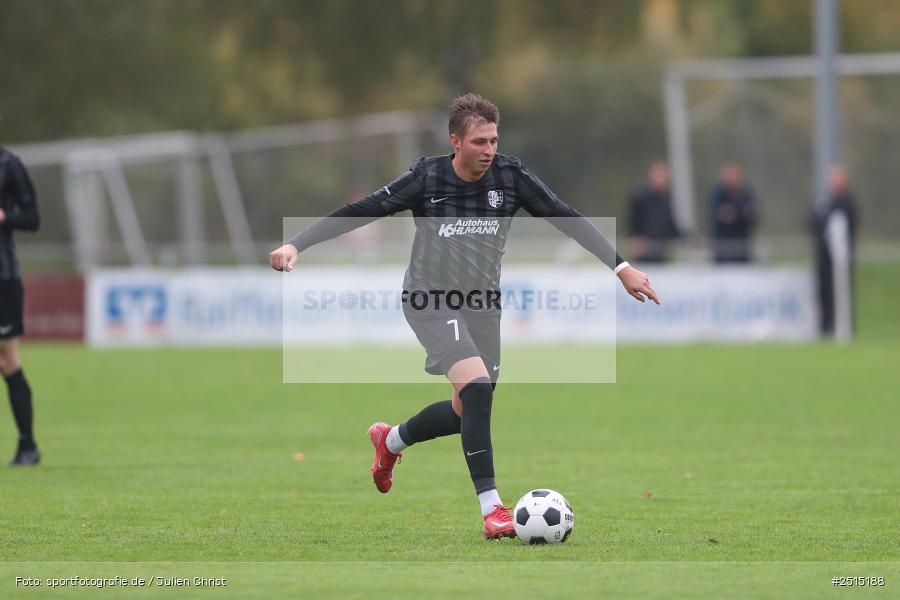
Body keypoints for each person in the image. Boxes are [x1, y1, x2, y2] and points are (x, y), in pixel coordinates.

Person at [270, 94, 659, 539]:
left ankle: (390, 440)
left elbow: (565, 217)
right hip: (429, 299)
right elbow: (364, 210)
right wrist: (296, 243)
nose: (489, 149)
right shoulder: (427, 177)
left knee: (467, 409)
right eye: (479, 141)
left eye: (494, 139)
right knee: (475, 388)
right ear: (456, 142)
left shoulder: (510, 176)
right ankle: (493, 510)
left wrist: (621, 267)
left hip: (482, 306)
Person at [0, 124, 41, 466]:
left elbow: (33, 218)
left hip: (3, 276)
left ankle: (27, 445)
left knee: (8, 361)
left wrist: (4, 216)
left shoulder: (10, 166)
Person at [811, 165, 858, 336]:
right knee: (824, 292)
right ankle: (825, 327)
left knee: (842, 292)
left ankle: (845, 327)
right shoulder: (824, 200)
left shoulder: (848, 201)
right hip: (823, 255)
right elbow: (811, 220)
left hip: (840, 257)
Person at [628, 162, 679, 263]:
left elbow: (671, 225)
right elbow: (632, 220)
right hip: (643, 251)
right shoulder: (639, 196)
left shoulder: (666, 200)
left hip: (661, 251)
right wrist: (636, 238)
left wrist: (689, 238)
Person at [709, 162, 758, 263]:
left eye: (734, 175)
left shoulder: (746, 194)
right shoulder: (717, 195)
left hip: (743, 252)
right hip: (722, 253)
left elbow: (753, 215)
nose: (732, 179)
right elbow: (718, 216)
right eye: (729, 175)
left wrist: (735, 214)